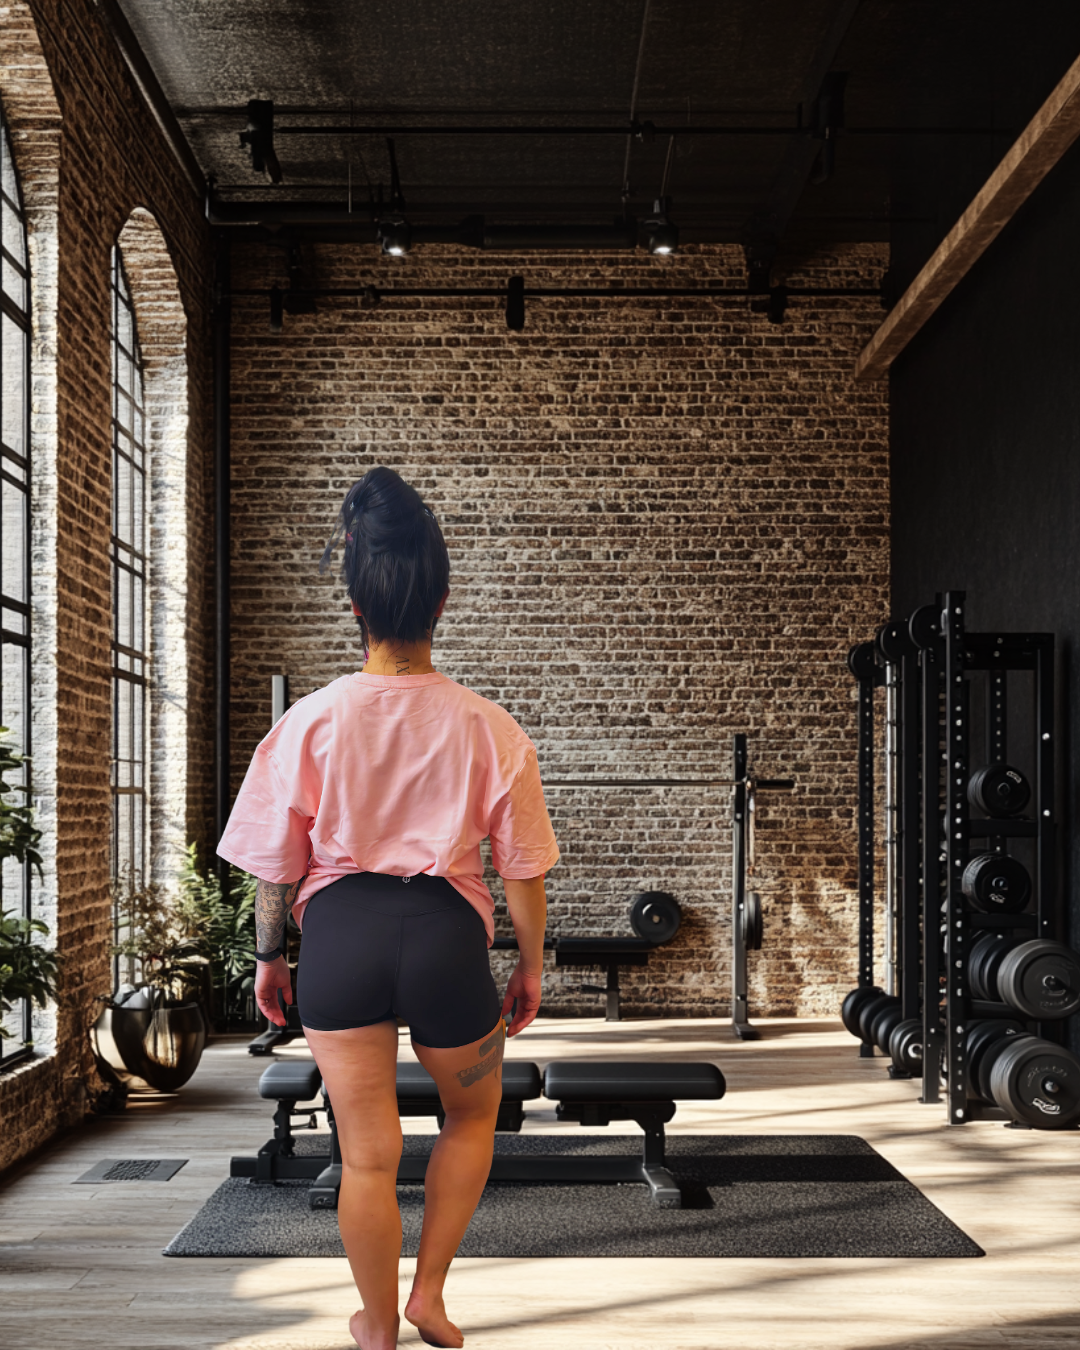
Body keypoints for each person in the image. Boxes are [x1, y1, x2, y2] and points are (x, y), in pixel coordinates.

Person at [217, 466, 559, 1350]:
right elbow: (521, 870)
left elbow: (274, 865)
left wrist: (269, 956)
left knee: (366, 1153)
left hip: (341, 939)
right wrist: (527, 965)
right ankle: (430, 1297)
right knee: (471, 1116)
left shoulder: (309, 721)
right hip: (447, 937)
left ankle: (375, 1323)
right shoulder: (491, 726)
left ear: (356, 606)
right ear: (440, 600)